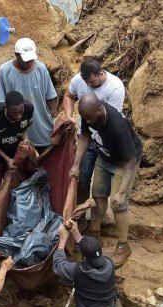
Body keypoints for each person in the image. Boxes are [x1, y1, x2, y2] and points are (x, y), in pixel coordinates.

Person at [69, 94, 142, 268]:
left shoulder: (118, 126)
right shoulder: (88, 114)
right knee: (98, 195)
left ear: (99, 110)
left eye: (91, 119)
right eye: (86, 119)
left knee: (118, 204)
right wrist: (76, 164)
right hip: (104, 157)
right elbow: (85, 137)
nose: (89, 122)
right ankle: (95, 232)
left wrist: (122, 192)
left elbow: (130, 162)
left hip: (123, 163)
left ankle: (123, 246)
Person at [63, 58, 126, 204]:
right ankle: (81, 214)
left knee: (100, 186)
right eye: (86, 82)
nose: (88, 85)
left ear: (100, 73)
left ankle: (98, 216)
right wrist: (69, 116)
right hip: (85, 135)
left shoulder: (115, 88)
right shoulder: (79, 80)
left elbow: (109, 122)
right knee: (82, 178)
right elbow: (69, 96)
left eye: (91, 82)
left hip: (106, 140)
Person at [0, 38, 58, 153]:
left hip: (42, 127)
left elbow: (51, 97)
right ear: (16, 55)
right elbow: (1, 103)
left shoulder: (41, 69)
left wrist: (55, 120)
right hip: (17, 128)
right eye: (26, 60)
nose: (30, 62)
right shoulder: (5, 71)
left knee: (47, 162)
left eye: (32, 59)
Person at [0, 90, 34, 196]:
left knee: (14, 183)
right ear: (6, 107)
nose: (19, 116)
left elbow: (24, 127)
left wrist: (26, 138)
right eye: (14, 113)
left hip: (13, 151)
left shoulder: (29, 109)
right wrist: (7, 159)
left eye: (21, 112)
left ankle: (11, 208)